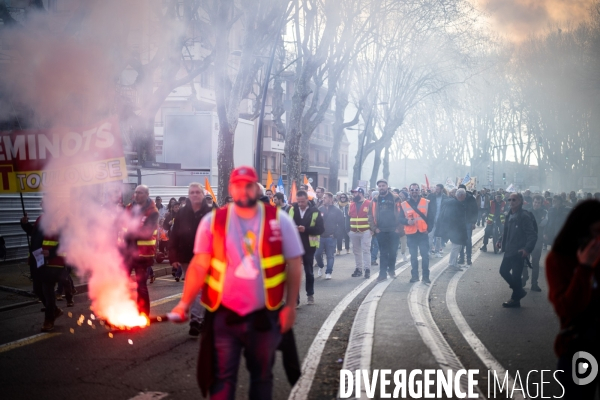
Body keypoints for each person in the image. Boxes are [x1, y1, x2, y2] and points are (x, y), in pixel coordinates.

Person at [169, 166, 303, 400]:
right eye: (238, 186)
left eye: (248, 185)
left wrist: (290, 306)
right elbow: (199, 265)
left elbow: (294, 263)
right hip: (224, 316)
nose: (243, 191)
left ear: (257, 189)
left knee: (261, 376)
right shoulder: (213, 221)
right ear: (231, 190)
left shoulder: (279, 219)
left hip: (263, 315)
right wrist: (184, 303)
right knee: (221, 378)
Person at [545, 200, 600, 399]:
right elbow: (567, 309)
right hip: (580, 346)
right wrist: (585, 268)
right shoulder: (558, 260)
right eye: (595, 232)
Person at [169, 183, 213, 335]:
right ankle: (198, 317)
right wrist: (173, 257)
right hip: (187, 256)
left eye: (197, 192)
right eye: (191, 192)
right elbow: (173, 236)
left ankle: (197, 318)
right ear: (188, 195)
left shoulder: (211, 213)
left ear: (202, 194)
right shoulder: (181, 213)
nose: (194, 195)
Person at [20, 202, 71, 331]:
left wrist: (51, 252)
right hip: (39, 261)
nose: (42, 204)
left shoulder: (61, 220)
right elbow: (34, 234)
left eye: (45, 202)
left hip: (54, 263)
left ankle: (49, 319)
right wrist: (25, 224)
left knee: (48, 292)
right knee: (37, 289)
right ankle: (54, 310)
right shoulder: (41, 219)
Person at [123, 185, 159, 315]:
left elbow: (147, 232)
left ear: (147, 195)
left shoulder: (153, 212)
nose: (136, 195)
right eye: (136, 192)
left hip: (143, 255)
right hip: (127, 253)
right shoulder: (128, 208)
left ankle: (143, 315)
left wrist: (129, 233)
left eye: (140, 193)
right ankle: (121, 311)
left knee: (141, 285)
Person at [498, 193, 538, 308]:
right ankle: (519, 291)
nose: (511, 202)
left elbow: (532, 235)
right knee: (503, 271)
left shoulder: (524, 216)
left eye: (514, 200)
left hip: (519, 251)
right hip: (509, 249)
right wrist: (500, 239)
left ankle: (515, 300)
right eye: (509, 200)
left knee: (516, 276)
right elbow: (506, 230)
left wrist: (527, 249)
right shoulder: (509, 214)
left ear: (520, 201)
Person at [289, 190, 324, 305]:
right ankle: (295, 300)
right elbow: (286, 225)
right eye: (298, 202)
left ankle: (310, 294)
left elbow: (320, 229)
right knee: (294, 273)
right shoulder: (292, 209)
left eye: (302, 202)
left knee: (309, 272)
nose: (300, 204)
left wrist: (306, 229)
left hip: (309, 246)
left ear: (307, 200)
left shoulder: (315, 211)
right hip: (294, 245)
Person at [399, 183, 435, 283]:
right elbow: (400, 218)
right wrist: (407, 222)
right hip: (411, 234)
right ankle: (414, 276)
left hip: (423, 233)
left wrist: (429, 228)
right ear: (409, 191)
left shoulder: (426, 202)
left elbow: (431, 217)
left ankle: (426, 277)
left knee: (425, 256)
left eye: (416, 190)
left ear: (419, 191)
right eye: (412, 190)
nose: (414, 191)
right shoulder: (404, 204)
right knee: (413, 256)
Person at [370, 179, 403, 281]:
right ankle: (382, 274)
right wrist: (374, 228)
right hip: (381, 230)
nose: (381, 187)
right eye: (379, 186)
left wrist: (399, 228)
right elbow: (370, 215)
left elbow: (402, 213)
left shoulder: (396, 198)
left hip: (394, 230)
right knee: (383, 253)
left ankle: (391, 270)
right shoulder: (375, 200)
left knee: (393, 252)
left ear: (387, 186)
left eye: (383, 185)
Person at [437, 189, 468, 272]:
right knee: (456, 246)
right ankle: (452, 264)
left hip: (452, 228)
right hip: (455, 229)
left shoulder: (451, 202)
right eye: (464, 196)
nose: (465, 198)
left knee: (457, 246)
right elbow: (453, 217)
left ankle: (454, 263)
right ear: (461, 196)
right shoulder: (456, 204)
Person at [315, 192, 345, 279]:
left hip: (331, 237)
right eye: (323, 197)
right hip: (320, 236)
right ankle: (321, 266)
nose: (323, 199)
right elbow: (315, 222)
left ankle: (329, 272)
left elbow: (341, 224)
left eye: (325, 198)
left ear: (331, 199)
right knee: (317, 254)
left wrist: (336, 234)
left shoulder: (337, 211)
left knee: (330, 255)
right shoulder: (320, 209)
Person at [521, 195, 547, 292]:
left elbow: (543, 224)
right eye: (535, 202)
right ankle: (524, 278)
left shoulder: (544, 213)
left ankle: (534, 284)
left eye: (538, 203)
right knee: (524, 261)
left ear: (541, 203)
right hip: (527, 240)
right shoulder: (527, 211)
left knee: (535, 263)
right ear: (533, 202)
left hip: (537, 240)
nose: (536, 204)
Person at [348, 187, 375, 278]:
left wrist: (372, 229)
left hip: (366, 231)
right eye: (353, 193)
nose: (353, 195)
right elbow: (348, 217)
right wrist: (348, 230)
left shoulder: (369, 203)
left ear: (361, 193)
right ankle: (358, 269)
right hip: (354, 231)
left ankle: (367, 269)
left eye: (355, 193)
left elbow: (373, 216)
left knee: (366, 250)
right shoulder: (351, 204)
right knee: (356, 251)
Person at [458, 184, 478, 266]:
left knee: (468, 241)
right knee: (460, 241)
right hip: (460, 222)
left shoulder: (471, 198)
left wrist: (474, 222)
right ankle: (461, 257)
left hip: (468, 221)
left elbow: (475, 211)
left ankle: (468, 258)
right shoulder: (457, 198)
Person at [427, 184, 448, 258]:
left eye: (438, 189)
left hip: (440, 219)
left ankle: (437, 251)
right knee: (430, 236)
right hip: (431, 219)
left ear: (442, 189)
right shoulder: (431, 196)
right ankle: (429, 251)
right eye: (436, 189)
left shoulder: (445, 198)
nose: (436, 190)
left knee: (438, 237)